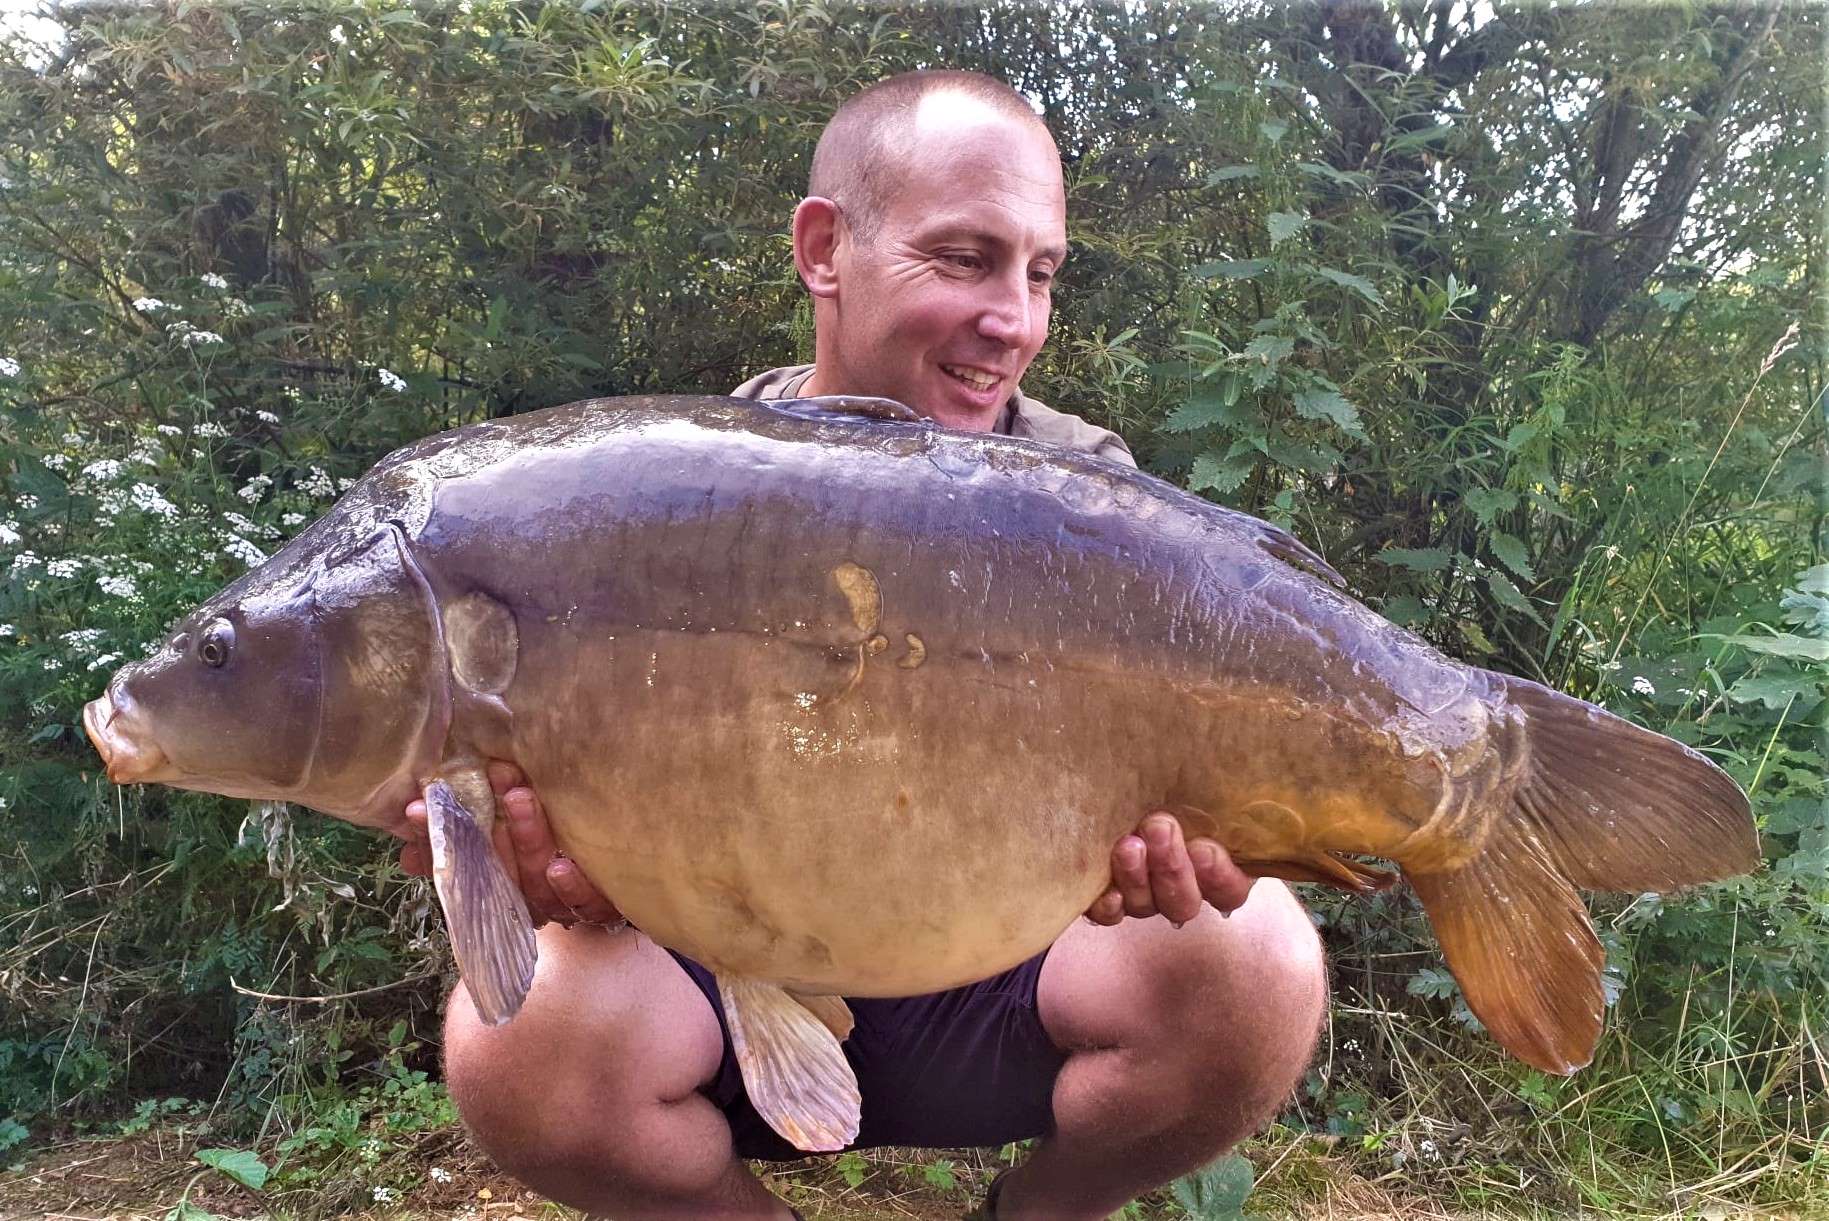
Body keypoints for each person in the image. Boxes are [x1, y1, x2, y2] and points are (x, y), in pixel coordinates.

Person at [397, 70, 1326, 1221]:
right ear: (824, 248)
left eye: (1039, 274)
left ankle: (1036, 1216)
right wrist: (576, 875)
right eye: (964, 258)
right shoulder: (670, 501)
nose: (1015, 320)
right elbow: (560, 845)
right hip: (726, 978)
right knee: (519, 1042)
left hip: (995, 976)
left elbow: (1187, 820)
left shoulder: (1087, 502)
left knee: (1256, 962)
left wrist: (1196, 843)